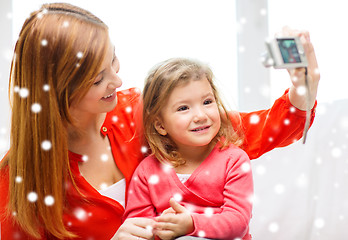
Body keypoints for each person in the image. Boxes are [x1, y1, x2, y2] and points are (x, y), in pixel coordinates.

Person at [0, 2, 319, 240]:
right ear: (59, 90)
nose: (118, 79)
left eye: (113, 58)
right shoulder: (19, 182)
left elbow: (247, 132)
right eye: (99, 78)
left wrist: (301, 92)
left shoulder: (139, 111)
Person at [123, 58, 254, 240]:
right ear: (160, 125)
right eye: (184, 108)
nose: (200, 115)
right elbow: (137, 227)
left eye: (207, 102)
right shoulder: (147, 171)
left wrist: (191, 224)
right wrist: (162, 228)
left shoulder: (235, 161)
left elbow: (238, 222)